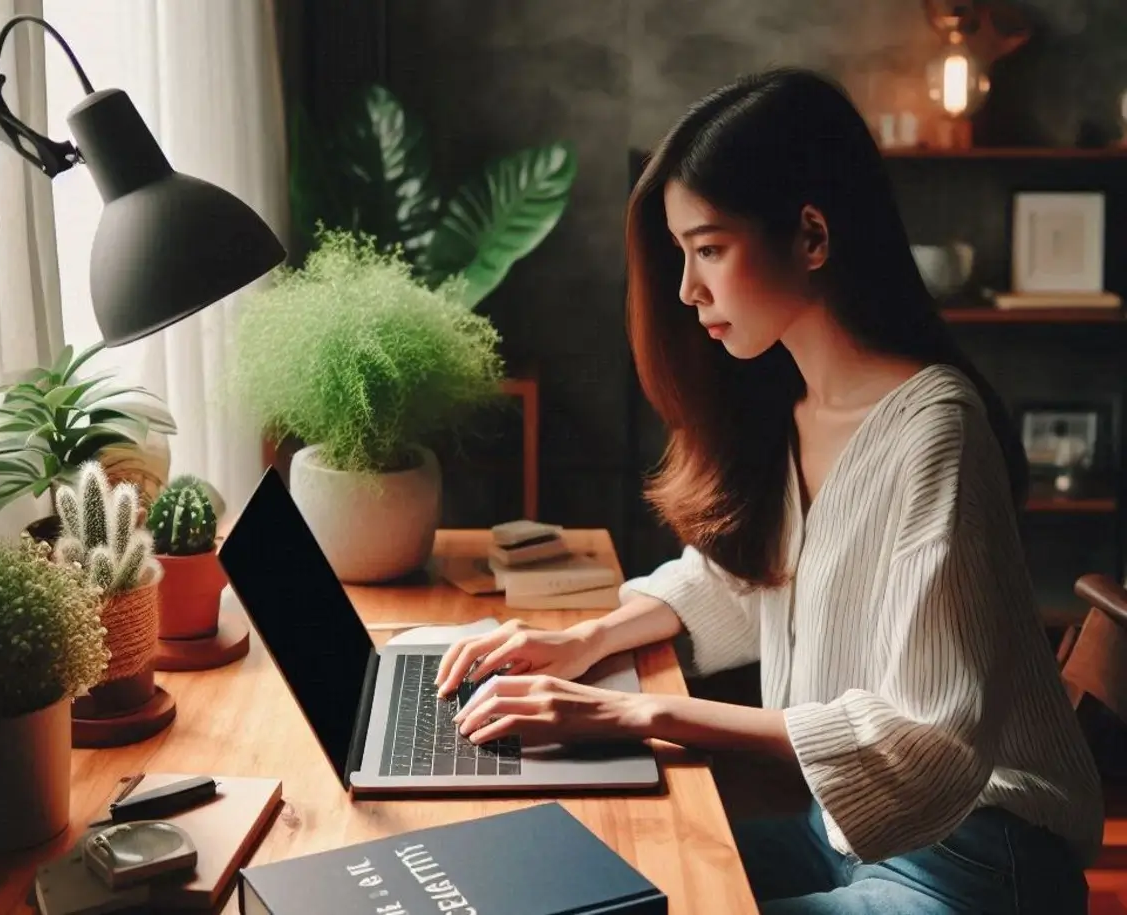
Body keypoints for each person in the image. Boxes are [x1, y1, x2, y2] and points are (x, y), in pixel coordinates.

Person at [435, 68, 1104, 913]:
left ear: (813, 235)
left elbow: (928, 743)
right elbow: (750, 578)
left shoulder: (937, 427)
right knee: (593, 877)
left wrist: (637, 717)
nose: (687, 290)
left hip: (977, 859)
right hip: (840, 831)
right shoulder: (795, 405)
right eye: (681, 254)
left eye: (708, 248)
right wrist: (584, 641)